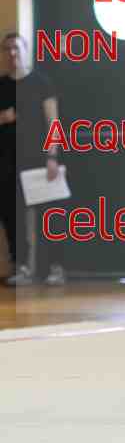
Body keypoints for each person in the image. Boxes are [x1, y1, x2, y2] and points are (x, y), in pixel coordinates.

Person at [0, 32, 66, 285]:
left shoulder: (41, 83)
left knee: (50, 214)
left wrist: (52, 156)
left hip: (39, 159)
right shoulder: (1, 85)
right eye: (7, 49)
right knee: (13, 217)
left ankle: (55, 267)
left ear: (26, 50)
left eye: (16, 48)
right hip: (8, 162)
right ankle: (22, 267)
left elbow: (53, 123)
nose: (12, 53)